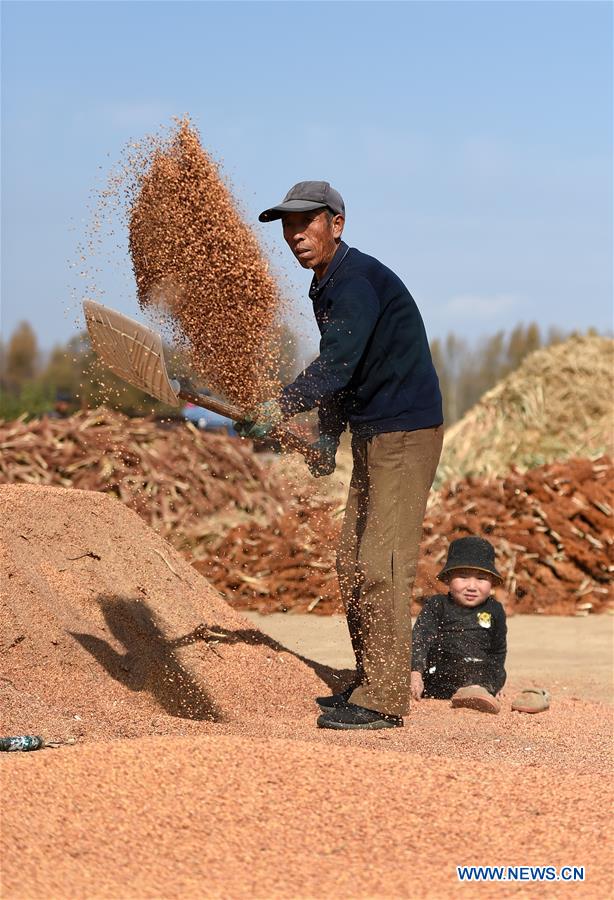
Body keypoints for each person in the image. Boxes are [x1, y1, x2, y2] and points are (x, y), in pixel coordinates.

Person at [238, 181, 443, 730]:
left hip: (405, 433)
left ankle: (384, 698)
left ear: (337, 223)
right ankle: (369, 676)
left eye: (306, 222)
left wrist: (281, 406)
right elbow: (343, 372)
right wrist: (328, 434)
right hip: (374, 433)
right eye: (287, 225)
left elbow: (336, 365)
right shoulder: (326, 284)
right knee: (352, 564)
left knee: (383, 565)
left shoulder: (354, 282)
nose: (295, 235)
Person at [410, 536, 507, 714]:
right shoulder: (437, 605)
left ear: (492, 582)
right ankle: (474, 694)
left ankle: (479, 693)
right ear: (448, 579)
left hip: (478, 674)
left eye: (481, 578)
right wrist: (415, 673)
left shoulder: (495, 609)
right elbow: (420, 639)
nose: (471, 586)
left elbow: (498, 651)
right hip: (440, 674)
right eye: (462, 577)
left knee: (492, 672)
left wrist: (496, 682)